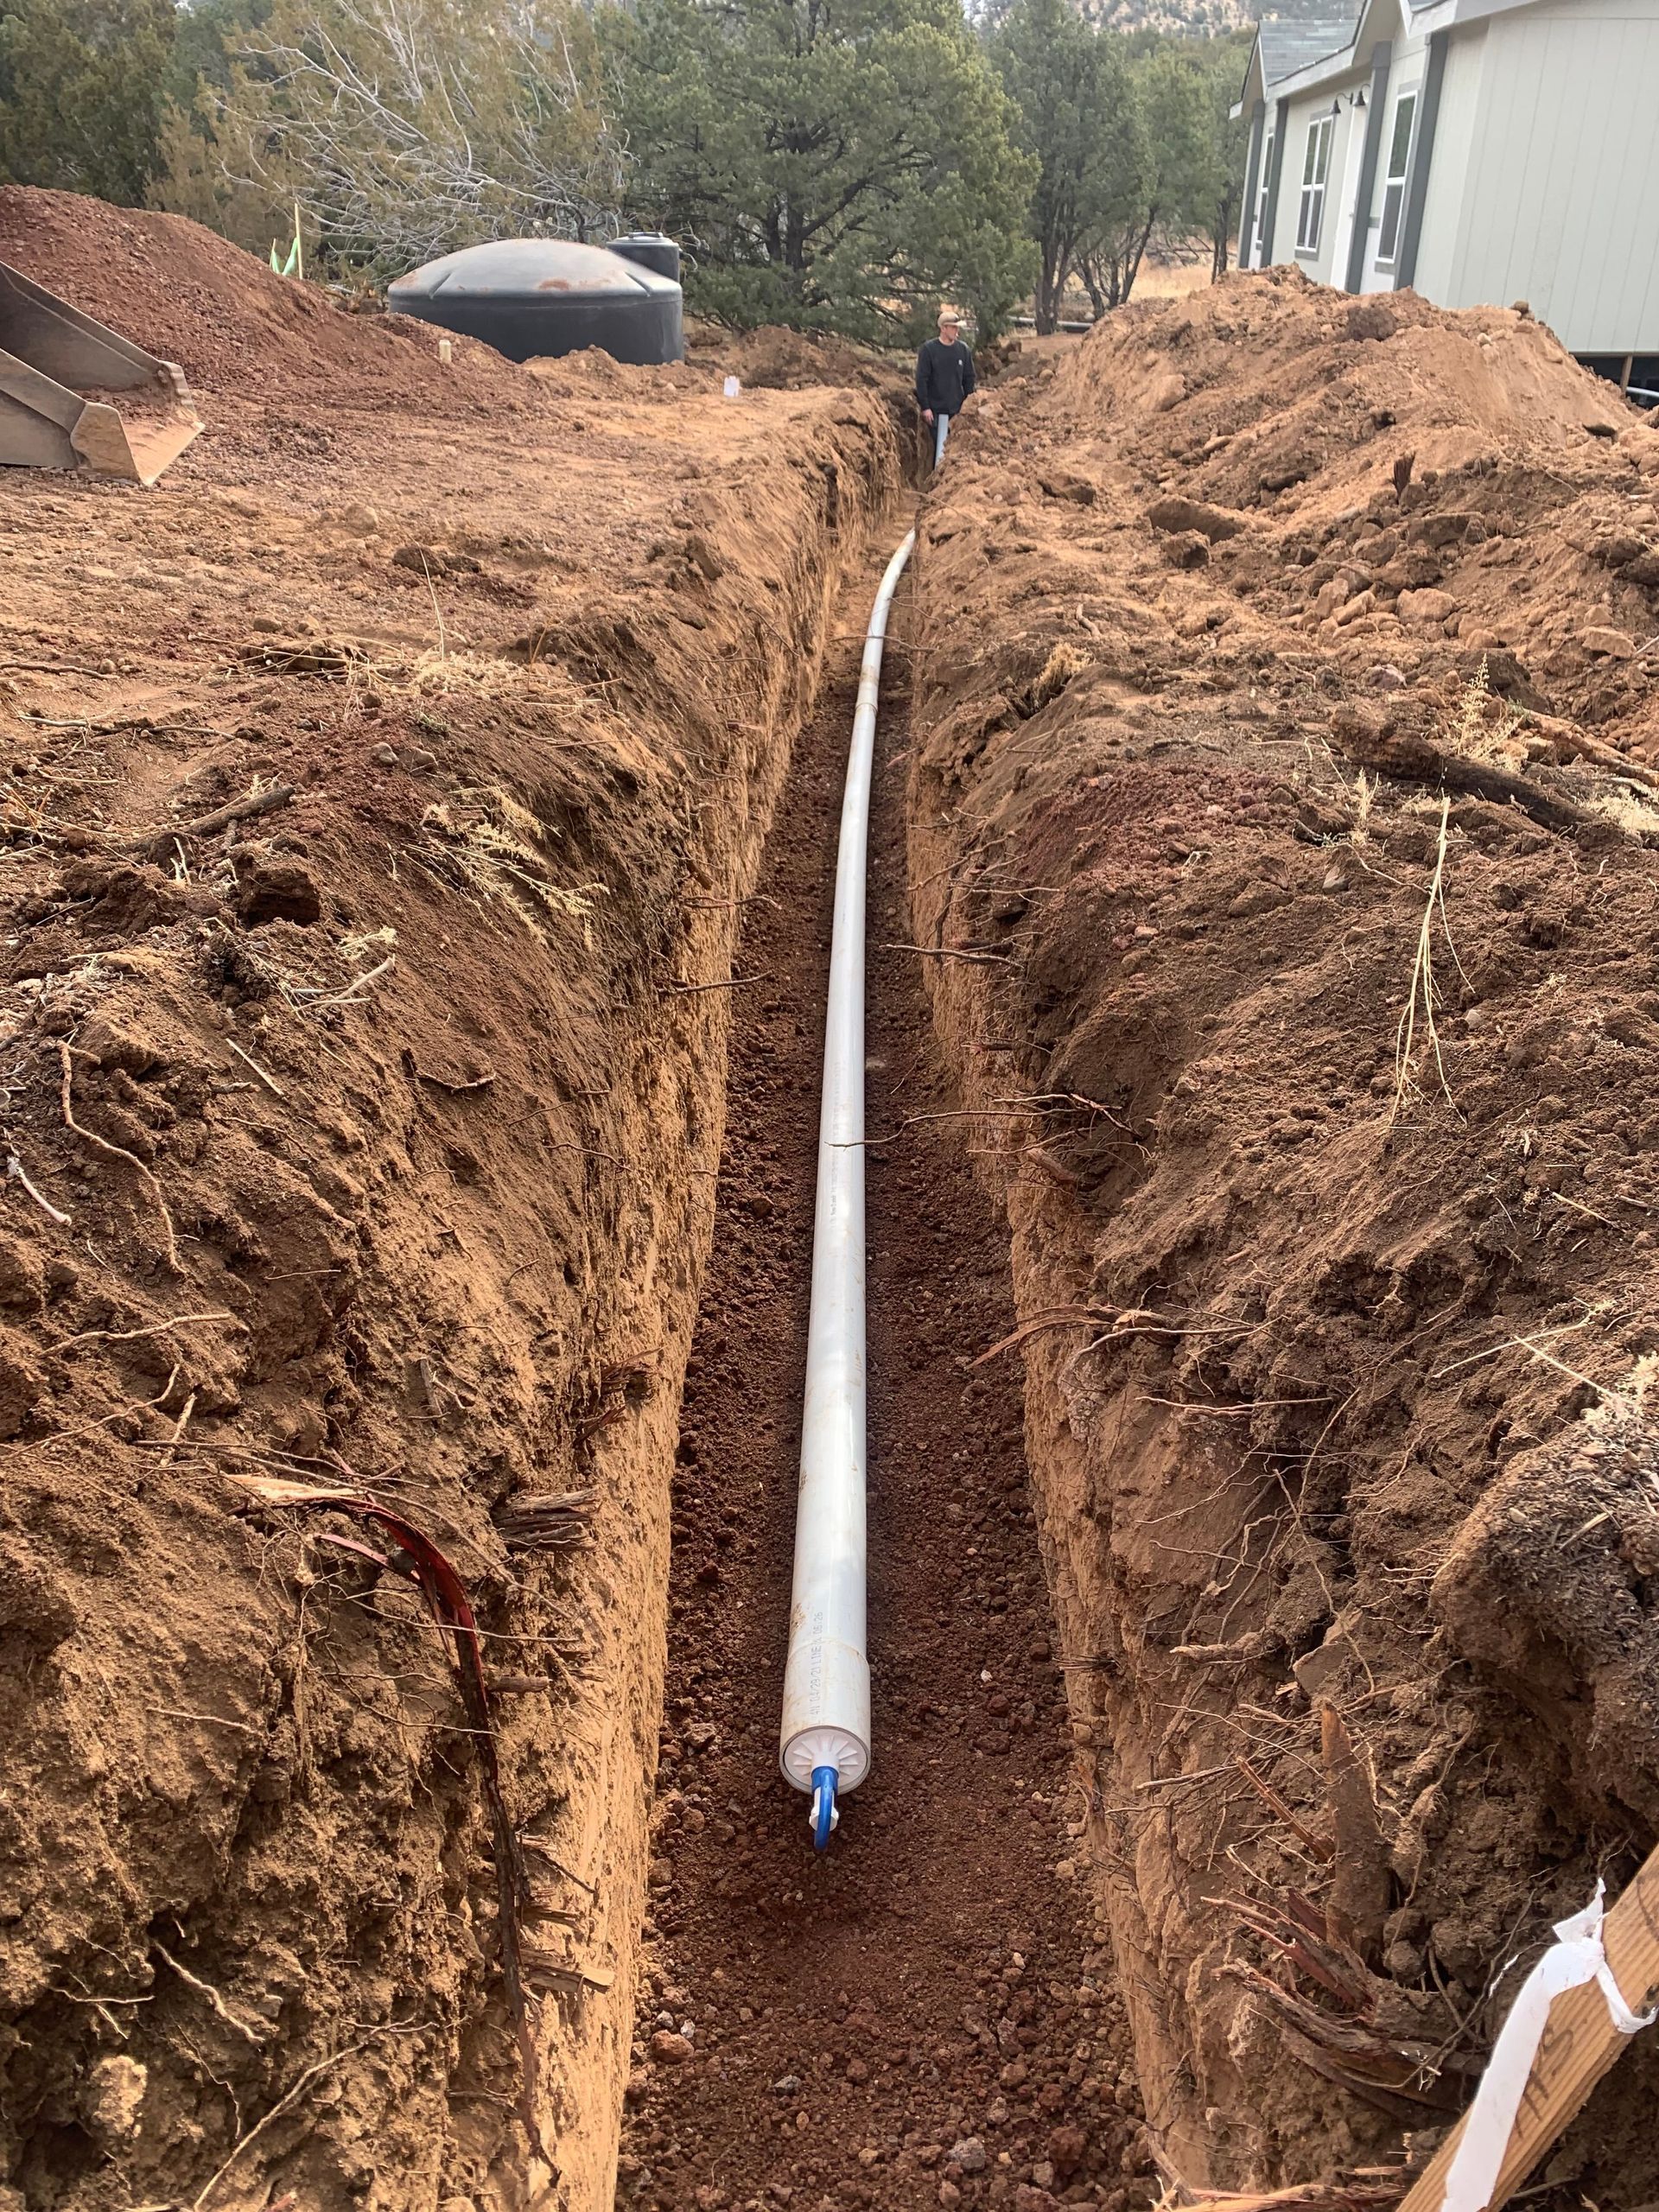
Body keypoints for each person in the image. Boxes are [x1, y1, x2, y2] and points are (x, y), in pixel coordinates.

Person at [915, 306, 976, 472]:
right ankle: (935, 481)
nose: (957, 331)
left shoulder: (963, 350)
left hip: (957, 411)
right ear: (943, 328)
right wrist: (926, 406)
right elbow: (922, 379)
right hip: (936, 412)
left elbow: (969, 379)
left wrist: (969, 405)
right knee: (940, 451)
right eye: (954, 327)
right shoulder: (929, 350)